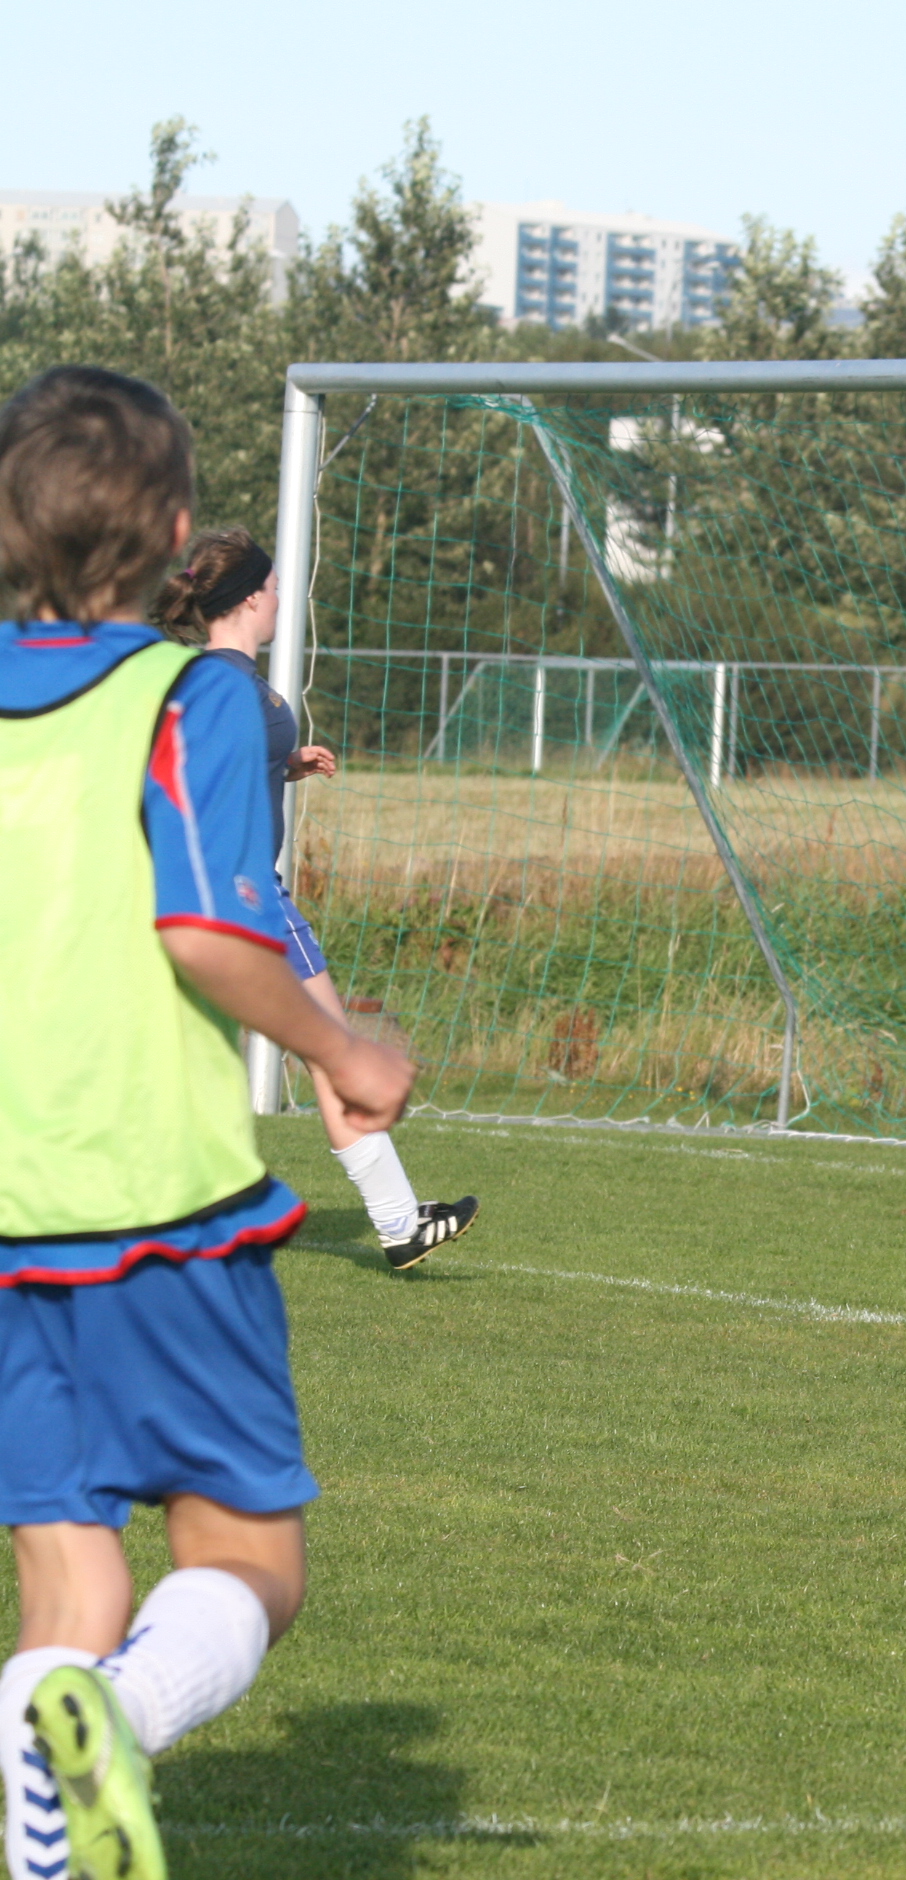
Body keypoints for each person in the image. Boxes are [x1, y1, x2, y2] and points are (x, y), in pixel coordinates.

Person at [0, 367, 415, 1880]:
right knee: (247, 1556)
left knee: (66, 1584)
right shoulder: (192, 699)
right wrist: (345, 1047)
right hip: (153, 1205)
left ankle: (47, 1827)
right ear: (180, 532)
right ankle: (116, 1720)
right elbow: (205, 929)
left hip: (4, 1219)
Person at [152, 528, 475, 1271]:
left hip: (215, 891)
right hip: (249, 895)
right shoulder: (230, 687)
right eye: (274, 589)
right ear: (251, 599)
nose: (280, 601)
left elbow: (211, 770)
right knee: (335, 1052)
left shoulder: (208, 681)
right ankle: (397, 1222)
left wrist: (285, 762)